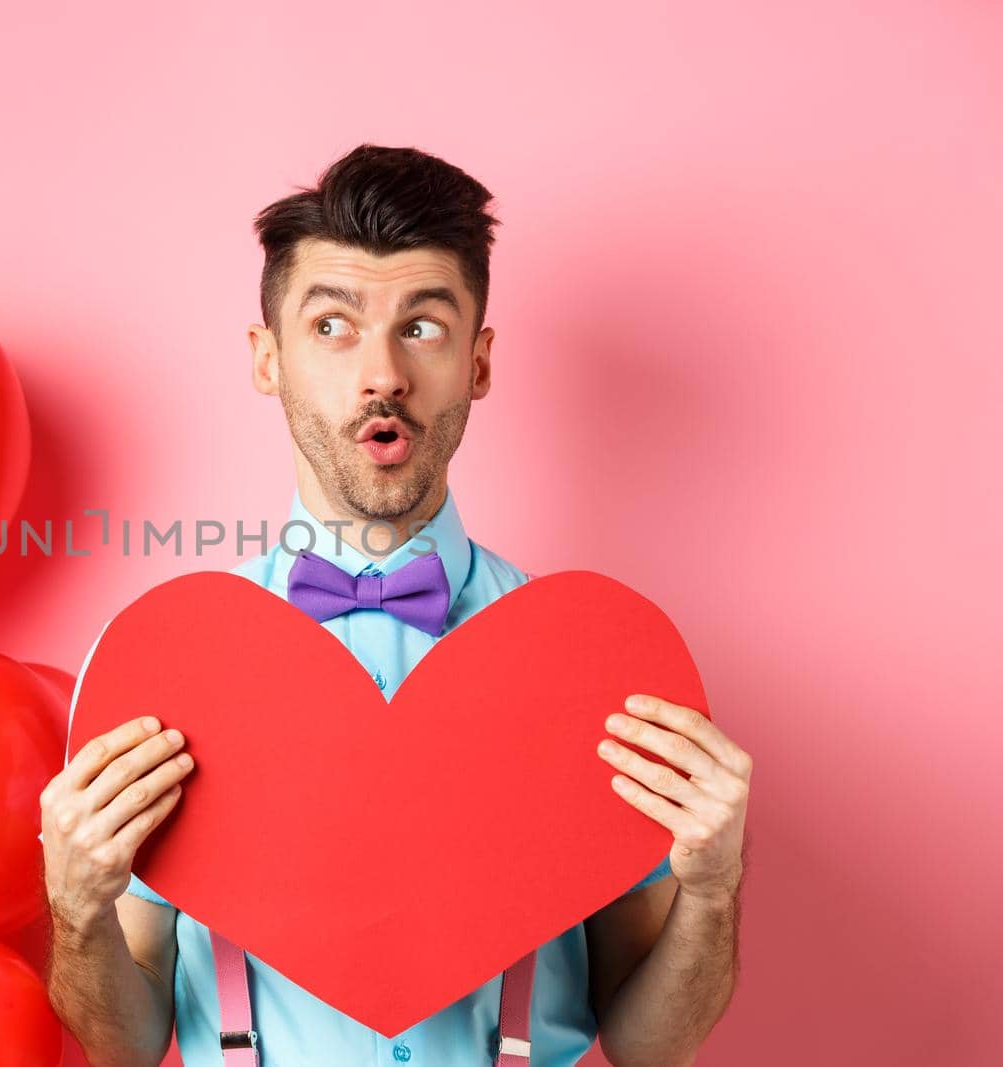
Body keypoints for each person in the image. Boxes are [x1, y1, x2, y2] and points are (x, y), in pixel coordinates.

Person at [40, 144, 751, 1067]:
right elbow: (122, 1046)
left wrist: (715, 887)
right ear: (268, 359)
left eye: (423, 327)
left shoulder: (592, 663)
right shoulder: (166, 660)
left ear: (478, 362)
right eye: (332, 325)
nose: (381, 374)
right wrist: (75, 908)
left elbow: (653, 1047)